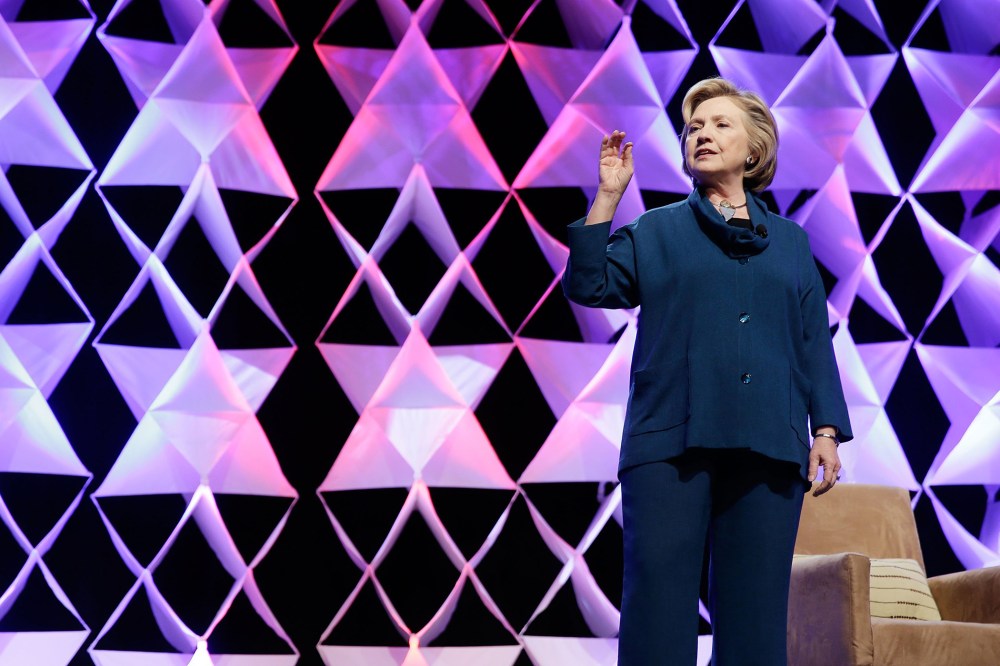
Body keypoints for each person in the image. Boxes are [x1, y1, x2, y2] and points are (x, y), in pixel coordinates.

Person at [561, 77, 853, 665]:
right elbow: (588, 285)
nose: (702, 134)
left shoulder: (793, 244)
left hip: (770, 442)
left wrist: (825, 429)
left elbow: (811, 343)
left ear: (754, 150)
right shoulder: (656, 231)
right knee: (657, 608)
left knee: (755, 617)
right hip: (670, 440)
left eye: (720, 124)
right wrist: (608, 198)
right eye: (694, 127)